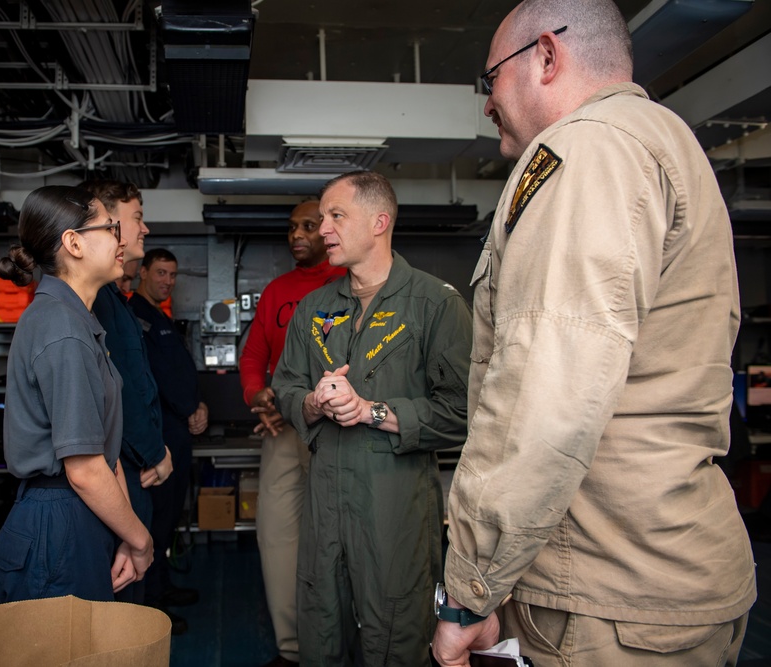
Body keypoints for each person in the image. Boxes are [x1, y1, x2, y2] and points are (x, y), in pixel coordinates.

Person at [431, 1, 757, 665]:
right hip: (659, 571)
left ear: (547, 56)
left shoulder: (585, 150)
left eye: (489, 78)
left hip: (611, 599)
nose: (487, 102)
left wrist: (470, 591)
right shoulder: (663, 141)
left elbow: (544, 397)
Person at [272, 171, 473, 666]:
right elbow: (285, 386)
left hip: (394, 508)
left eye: (336, 216)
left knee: (396, 631)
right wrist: (314, 403)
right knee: (322, 625)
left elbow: (463, 413)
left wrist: (371, 411)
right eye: (322, 219)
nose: (323, 230)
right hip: (323, 507)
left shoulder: (434, 305)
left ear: (380, 221)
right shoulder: (315, 308)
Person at [0, 185, 153, 605]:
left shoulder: (75, 320)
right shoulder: (62, 328)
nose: (121, 240)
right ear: (73, 242)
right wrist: (140, 540)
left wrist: (123, 527)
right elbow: (83, 468)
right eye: (111, 227)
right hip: (58, 517)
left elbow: (102, 450)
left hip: (80, 511)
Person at [238, 199, 346, 667]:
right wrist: (259, 398)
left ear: (328, 230)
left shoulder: (348, 285)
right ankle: (292, 649)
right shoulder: (277, 291)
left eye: (308, 226)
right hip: (283, 431)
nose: (297, 235)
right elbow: (251, 360)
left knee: (338, 540)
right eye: (292, 228)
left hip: (340, 432)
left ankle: (341, 643)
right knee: (277, 536)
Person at [82, 180, 173, 606]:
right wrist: (156, 451)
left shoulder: (112, 299)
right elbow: (122, 393)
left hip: (130, 467)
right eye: (137, 217)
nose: (145, 229)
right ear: (108, 222)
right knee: (121, 605)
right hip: (125, 469)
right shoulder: (94, 299)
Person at [129, 248, 207, 634]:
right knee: (156, 520)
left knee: (169, 518)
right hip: (160, 437)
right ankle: (150, 606)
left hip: (177, 431)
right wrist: (189, 406)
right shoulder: (136, 316)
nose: (167, 281)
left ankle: (162, 587)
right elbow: (154, 379)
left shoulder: (159, 317)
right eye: (160, 273)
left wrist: (198, 404)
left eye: (172, 275)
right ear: (142, 272)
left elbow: (177, 374)